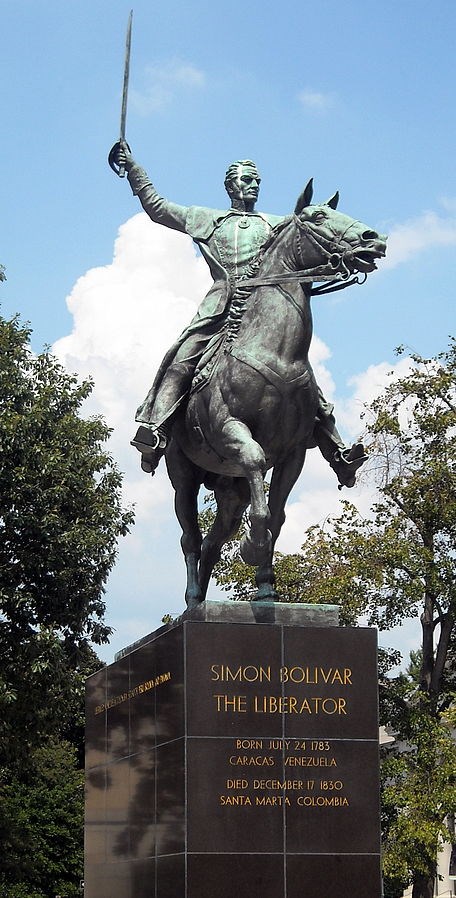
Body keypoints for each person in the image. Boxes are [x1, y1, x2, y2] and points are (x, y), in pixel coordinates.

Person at [110, 141, 366, 487]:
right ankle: (155, 431)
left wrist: (347, 255)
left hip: (266, 312)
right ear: (231, 186)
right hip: (222, 307)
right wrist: (134, 169)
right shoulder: (208, 219)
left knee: (301, 374)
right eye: (247, 180)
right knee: (182, 359)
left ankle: (337, 452)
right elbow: (158, 208)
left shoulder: (277, 224)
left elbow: (314, 242)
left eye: (257, 180)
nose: (253, 185)